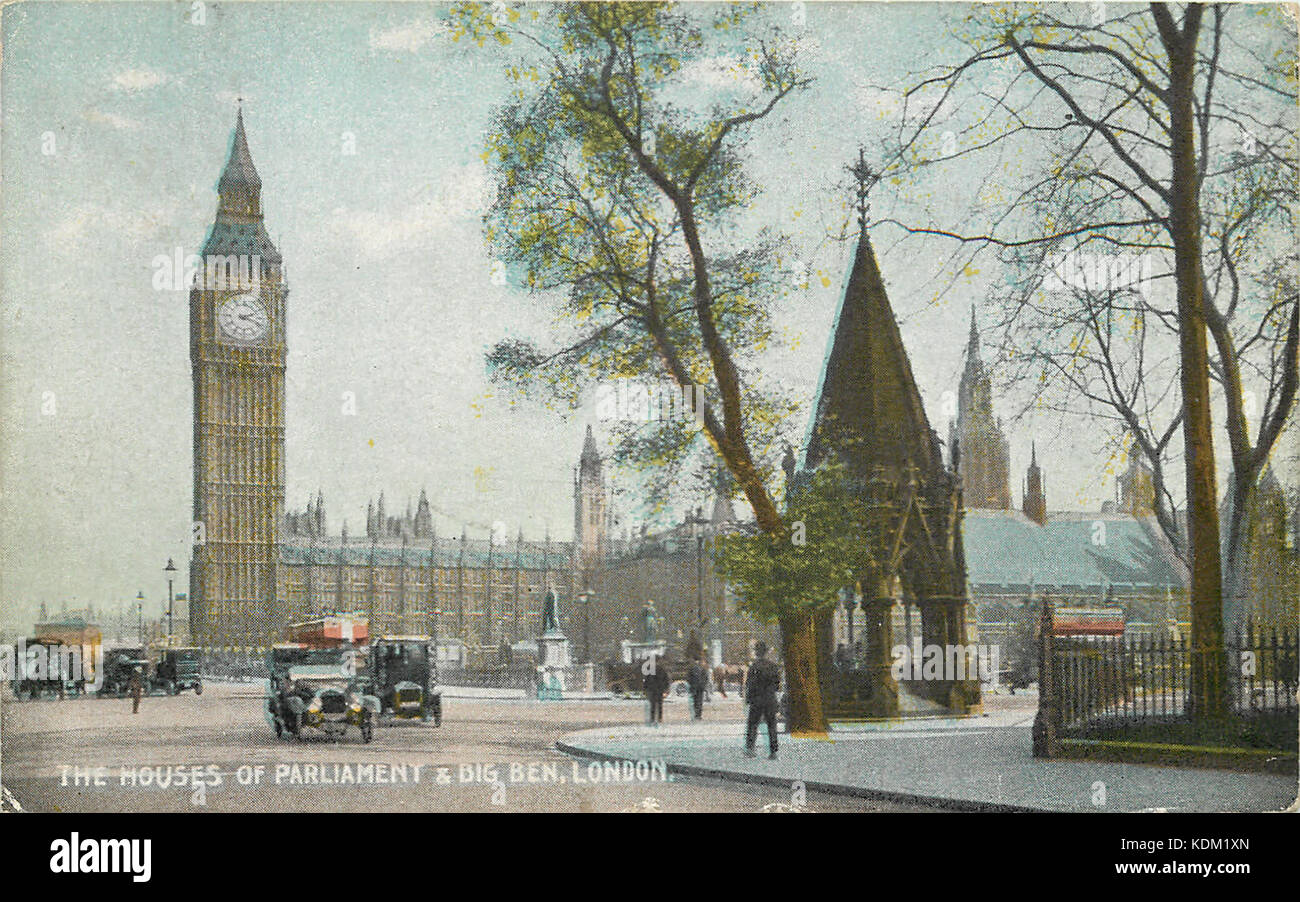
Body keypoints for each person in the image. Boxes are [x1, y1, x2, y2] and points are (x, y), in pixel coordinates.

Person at [745, 641, 781, 759]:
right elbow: (777, 684)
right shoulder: (773, 666)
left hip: (757, 699)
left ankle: (750, 749)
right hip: (770, 699)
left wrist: (748, 699)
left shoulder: (754, 667)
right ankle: (773, 751)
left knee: (752, 724)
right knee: (772, 725)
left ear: (756, 652)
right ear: (766, 652)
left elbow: (750, 684)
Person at [643, 653, 670, 725]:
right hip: (660, 689)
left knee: (653, 705)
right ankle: (659, 718)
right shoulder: (662, 669)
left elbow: (647, 679)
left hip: (652, 689)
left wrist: (646, 688)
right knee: (660, 704)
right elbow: (666, 679)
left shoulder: (650, 669)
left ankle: (652, 718)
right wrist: (666, 689)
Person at [687, 656, 709, 720]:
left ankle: (695, 714)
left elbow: (688, 678)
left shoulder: (691, 669)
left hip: (694, 687)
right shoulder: (702, 669)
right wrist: (704, 685)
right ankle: (698, 715)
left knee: (695, 701)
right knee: (699, 701)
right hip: (700, 688)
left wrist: (691, 684)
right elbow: (706, 678)